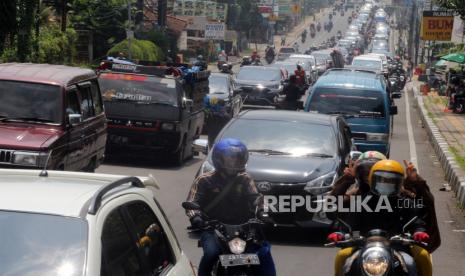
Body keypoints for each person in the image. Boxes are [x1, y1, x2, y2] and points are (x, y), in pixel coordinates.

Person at [185, 139, 277, 276]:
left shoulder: (245, 179)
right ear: (218, 159)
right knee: (211, 254)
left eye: (236, 158)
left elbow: (256, 198)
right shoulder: (204, 180)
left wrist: (263, 212)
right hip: (212, 228)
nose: (233, 162)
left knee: (261, 254)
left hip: (244, 228)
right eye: (229, 158)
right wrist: (196, 217)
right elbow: (192, 202)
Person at [329, 160, 435, 276]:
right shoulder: (360, 202)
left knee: (422, 257)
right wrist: (340, 233)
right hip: (364, 246)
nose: (386, 183)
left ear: (399, 183)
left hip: (399, 246)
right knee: (341, 256)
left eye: (391, 181)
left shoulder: (405, 202)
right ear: (372, 180)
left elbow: (417, 221)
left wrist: (419, 232)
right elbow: (348, 223)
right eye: (382, 180)